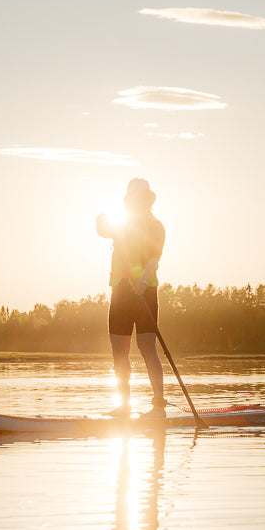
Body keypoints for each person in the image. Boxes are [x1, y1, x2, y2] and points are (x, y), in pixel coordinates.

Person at [96, 178, 167, 418]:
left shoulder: (156, 226)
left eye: (142, 198)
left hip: (145, 290)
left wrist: (143, 280)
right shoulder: (122, 225)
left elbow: (154, 258)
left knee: (147, 347)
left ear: (148, 200)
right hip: (120, 292)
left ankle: (158, 406)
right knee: (120, 352)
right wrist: (100, 218)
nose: (138, 202)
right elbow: (102, 230)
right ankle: (124, 406)